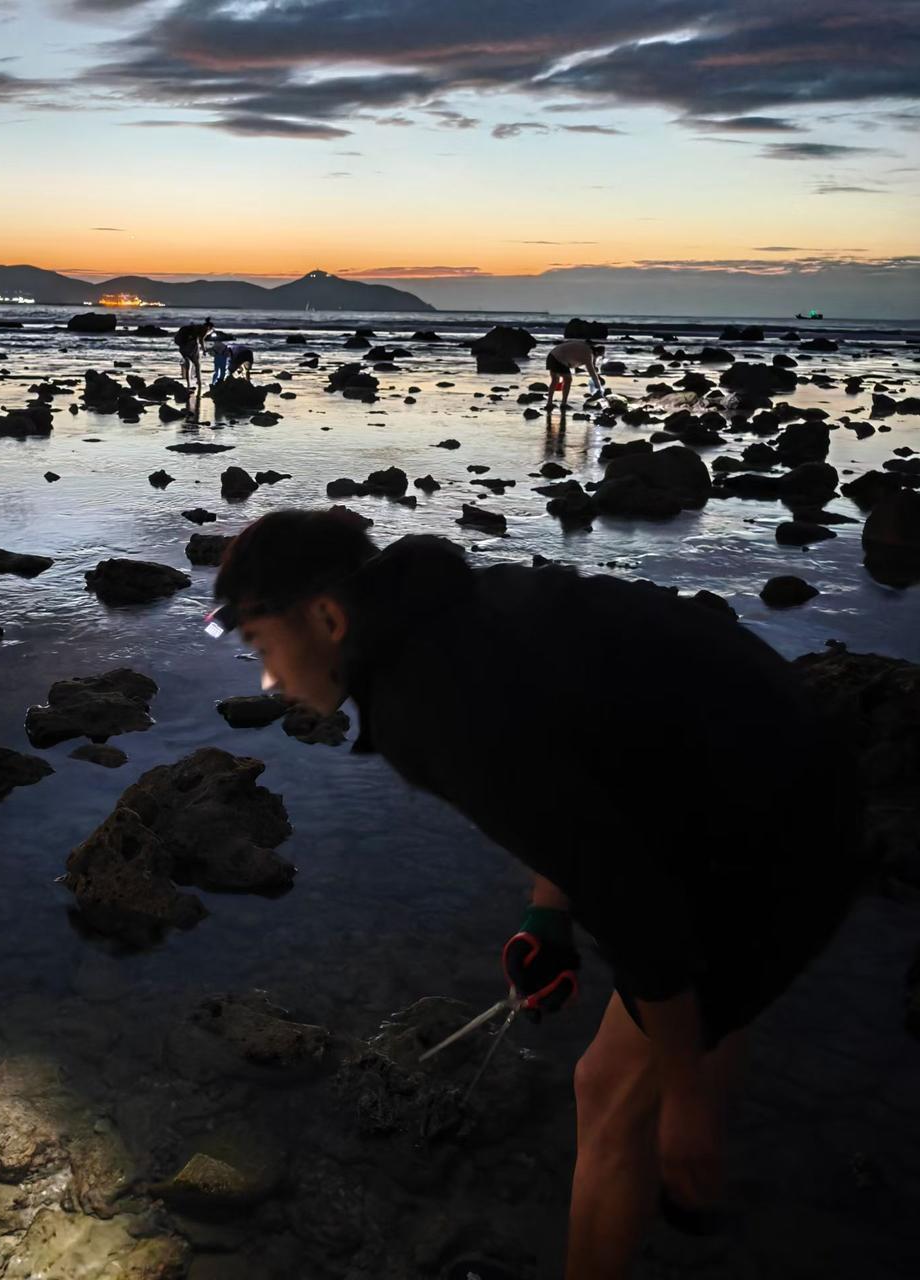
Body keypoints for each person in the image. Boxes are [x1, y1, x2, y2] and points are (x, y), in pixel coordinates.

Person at [205, 509, 868, 1280]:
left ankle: (684, 1153)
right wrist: (546, 917)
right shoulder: (449, 606)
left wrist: (684, 1099)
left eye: (262, 646)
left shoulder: (429, 702)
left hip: (776, 837)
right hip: (778, 772)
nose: (268, 679)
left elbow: (636, 908)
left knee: (610, 1088)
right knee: (690, 1024)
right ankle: (695, 1194)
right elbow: (583, 760)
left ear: (326, 615)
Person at [545, 338, 603, 413]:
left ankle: (549, 403)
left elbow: (585, 361)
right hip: (560, 359)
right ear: (597, 353)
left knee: (555, 380)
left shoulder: (586, 349)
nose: (598, 358)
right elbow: (591, 371)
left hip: (552, 356)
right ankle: (563, 403)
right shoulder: (589, 354)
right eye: (599, 356)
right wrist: (598, 385)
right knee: (568, 380)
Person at [174, 317, 214, 389]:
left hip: (182, 347)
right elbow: (201, 340)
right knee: (197, 365)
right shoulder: (205, 329)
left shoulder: (194, 328)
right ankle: (199, 382)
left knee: (188, 364)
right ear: (209, 327)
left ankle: (188, 383)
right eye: (211, 330)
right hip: (191, 347)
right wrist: (204, 350)